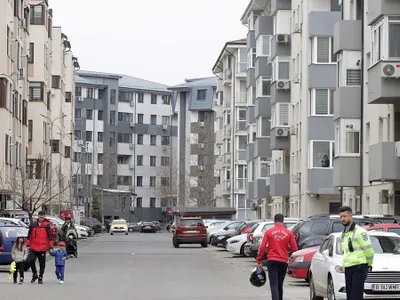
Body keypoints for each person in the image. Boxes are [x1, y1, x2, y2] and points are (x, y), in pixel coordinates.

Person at [256, 214, 298, 300]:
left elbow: (262, 247)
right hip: (283, 261)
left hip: (272, 260)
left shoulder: (268, 232)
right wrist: (286, 247)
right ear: (283, 221)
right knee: (280, 284)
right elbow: (295, 248)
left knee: (274, 284)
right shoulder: (289, 233)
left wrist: (259, 260)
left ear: (274, 221)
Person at [339, 206, 374, 300]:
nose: (343, 219)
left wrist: (369, 265)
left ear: (351, 216)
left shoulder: (360, 232)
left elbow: (369, 251)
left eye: (345, 216)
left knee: (356, 296)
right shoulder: (344, 234)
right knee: (349, 296)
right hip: (348, 267)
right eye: (341, 216)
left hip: (359, 267)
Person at [26, 211, 54, 284]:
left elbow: (50, 237)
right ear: (38, 217)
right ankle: (34, 274)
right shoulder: (33, 225)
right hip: (33, 247)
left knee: (42, 263)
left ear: (44, 217)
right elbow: (29, 236)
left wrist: (51, 247)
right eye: (40, 217)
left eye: (42, 217)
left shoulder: (47, 225)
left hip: (42, 247)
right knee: (31, 261)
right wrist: (27, 245)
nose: (41, 219)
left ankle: (40, 276)